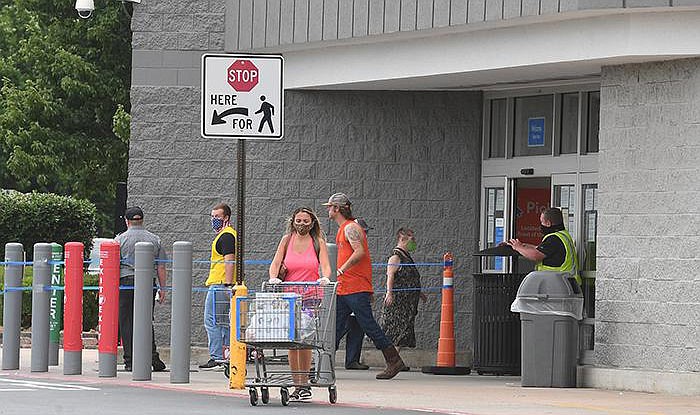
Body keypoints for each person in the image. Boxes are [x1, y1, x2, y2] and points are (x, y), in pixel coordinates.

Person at [323, 192, 406, 380]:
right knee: (334, 327)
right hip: (346, 287)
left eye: (330, 207)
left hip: (354, 286)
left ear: (337, 209)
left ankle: (394, 359)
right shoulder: (345, 227)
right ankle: (323, 364)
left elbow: (359, 252)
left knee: (367, 324)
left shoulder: (350, 228)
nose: (328, 210)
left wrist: (342, 269)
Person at [268, 207, 331, 402]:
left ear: (312, 223)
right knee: (291, 341)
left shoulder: (318, 243)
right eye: (298, 221)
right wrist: (273, 278)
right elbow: (276, 262)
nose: (301, 224)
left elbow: (326, 265)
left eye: (305, 221)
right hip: (289, 296)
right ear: (293, 221)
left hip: (311, 295)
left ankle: (304, 383)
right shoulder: (286, 241)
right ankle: (297, 383)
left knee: (305, 339)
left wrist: (325, 278)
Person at [115, 206, 167, 372]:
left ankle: (130, 360)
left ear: (126, 221)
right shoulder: (154, 239)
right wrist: (162, 288)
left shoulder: (119, 240)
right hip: (147, 283)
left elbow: (113, 267)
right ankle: (152, 357)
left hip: (125, 282)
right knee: (145, 320)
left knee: (126, 321)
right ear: (142, 220)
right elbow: (161, 267)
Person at [199, 203, 237, 369]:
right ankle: (227, 355)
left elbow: (230, 260)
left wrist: (228, 284)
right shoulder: (225, 234)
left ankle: (216, 357)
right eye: (212, 217)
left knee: (211, 321)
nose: (214, 220)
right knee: (223, 322)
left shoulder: (227, 236)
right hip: (221, 284)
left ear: (226, 217)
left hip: (221, 284)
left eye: (217, 217)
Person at [382, 228, 427, 366]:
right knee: (396, 332)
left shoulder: (407, 257)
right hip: (398, 302)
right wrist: (389, 293)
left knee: (404, 333)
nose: (414, 242)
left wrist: (419, 293)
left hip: (408, 304)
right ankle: (392, 362)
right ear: (402, 239)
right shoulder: (396, 257)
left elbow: (411, 278)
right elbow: (390, 276)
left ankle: (394, 361)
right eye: (411, 239)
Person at [506, 207, 581, 285]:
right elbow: (539, 249)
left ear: (548, 223)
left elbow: (535, 255)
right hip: (565, 283)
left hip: (559, 285)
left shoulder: (554, 239)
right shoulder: (563, 235)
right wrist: (521, 246)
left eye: (542, 222)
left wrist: (518, 247)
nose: (541, 225)